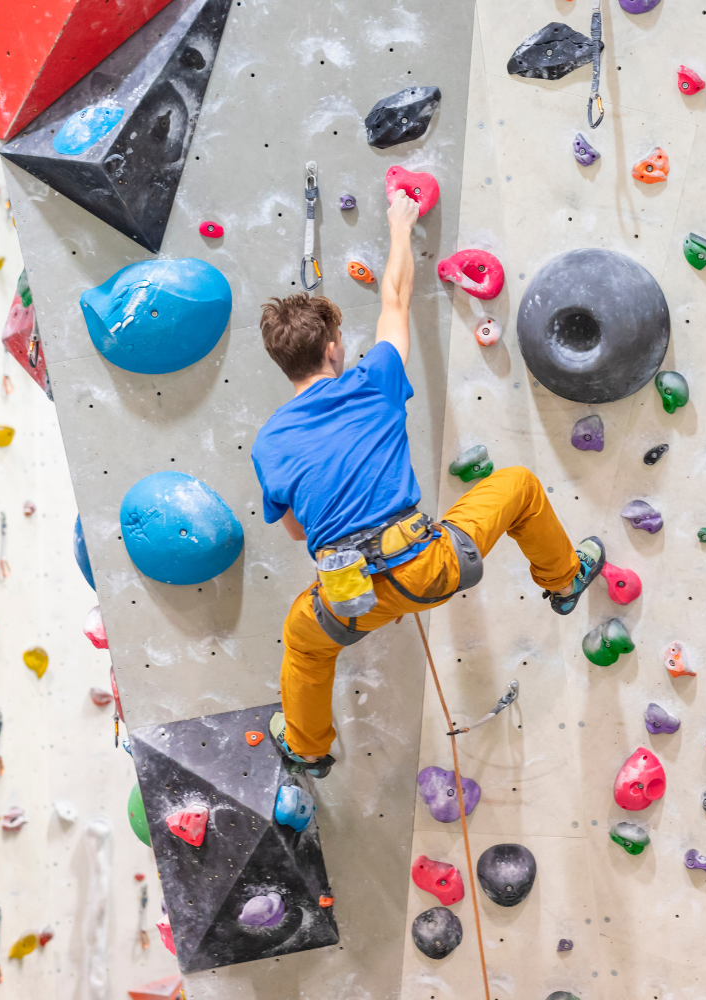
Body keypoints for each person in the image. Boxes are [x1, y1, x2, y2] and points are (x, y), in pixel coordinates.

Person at [251, 189, 604, 778]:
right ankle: (565, 580)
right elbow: (395, 296)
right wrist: (399, 223)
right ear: (335, 347)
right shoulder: (374, 378)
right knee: (516, 485)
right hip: (431, 564)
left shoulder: (269, 443)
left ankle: (308, 748)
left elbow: (293, 531)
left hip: (349, 598)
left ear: (280, 362)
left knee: (304, 641)